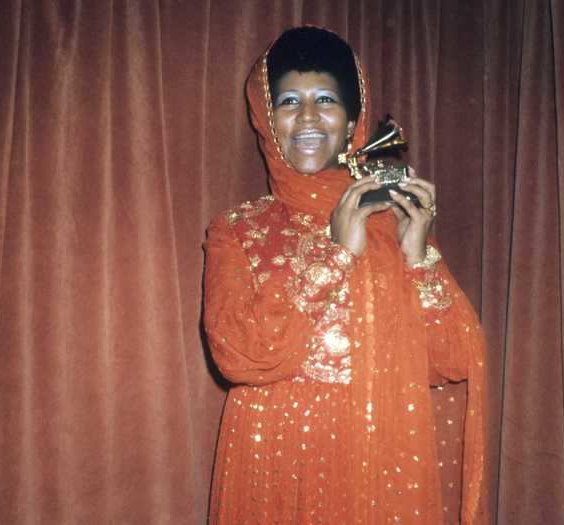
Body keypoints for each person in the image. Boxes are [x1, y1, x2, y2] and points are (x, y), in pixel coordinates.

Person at [203, 26, 488, 524]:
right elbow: (239, 354)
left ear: (353, 121)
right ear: (267, 120)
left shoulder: (392, 225)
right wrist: (335, 254)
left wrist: (418, 252)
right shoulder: (238, 229)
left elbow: (452, 360)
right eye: (289, 101)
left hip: (376, 460)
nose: (308, 117)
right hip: (273, 460)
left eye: (326, 101)